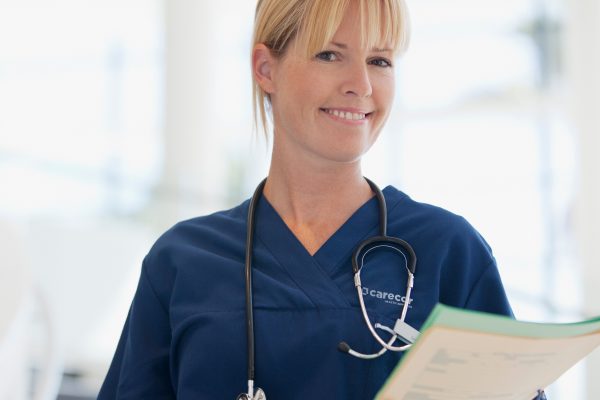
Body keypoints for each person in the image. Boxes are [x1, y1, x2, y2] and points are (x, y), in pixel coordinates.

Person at [98, 0, 547, 399]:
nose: (361, 85)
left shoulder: (449, 251)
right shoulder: (184, 262)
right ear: (265, 68)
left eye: (380, 60)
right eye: (330, 54)